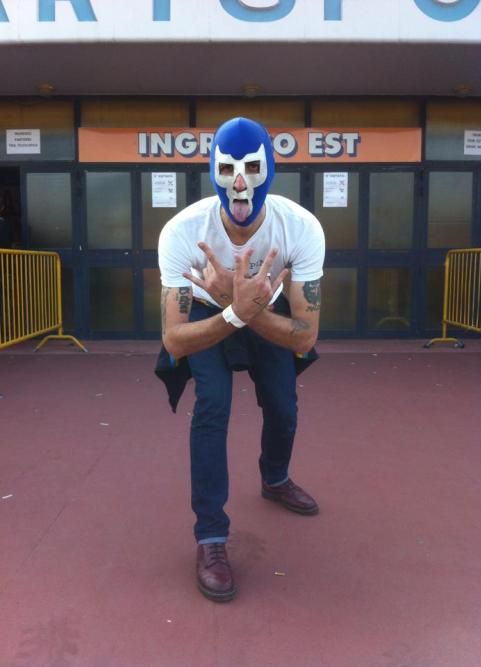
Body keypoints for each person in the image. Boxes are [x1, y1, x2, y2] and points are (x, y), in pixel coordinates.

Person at [157, 116, 325, 602]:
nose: (239, 182)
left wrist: (242, 303)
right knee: (212, 406)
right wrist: (233, 308)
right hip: (207, 312)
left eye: (252, 167)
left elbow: (304, 336)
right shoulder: (182, 232)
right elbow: (174, 341)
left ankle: (275, 477)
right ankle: (211, 536)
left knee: (282, 404)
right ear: (213, 169)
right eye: (228, 168)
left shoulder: (301, 228)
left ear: (269, 167)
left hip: (263, 308)